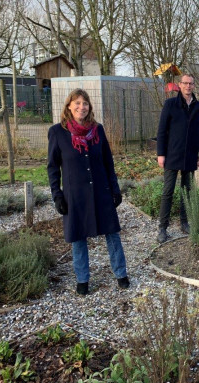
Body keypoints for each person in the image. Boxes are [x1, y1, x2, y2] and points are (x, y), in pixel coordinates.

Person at [47, 89, 128, 296]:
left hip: (101, 190)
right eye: (77, 103)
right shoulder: (58, 132)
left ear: (90, 107)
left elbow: (108, 162)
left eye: (85, 103)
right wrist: (57, 195)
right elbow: (53, 167)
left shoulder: (98, 130)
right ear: (68, 106)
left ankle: (121, 273)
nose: (81, 107)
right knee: (78, 236)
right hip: (76, 194)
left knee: (112, 232)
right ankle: (82, 279)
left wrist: (115, 189)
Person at [156, 73, 199, 243]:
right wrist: (161, 154)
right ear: (180, 85)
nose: (188, 86)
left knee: (187, 192)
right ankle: (163, 227)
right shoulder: (171, 104)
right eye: (185, 83)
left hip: (190, 156)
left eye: (191, 83)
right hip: (172, 154)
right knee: (168, 191)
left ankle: (184, 223)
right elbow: (162, 131)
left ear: (194, 85)